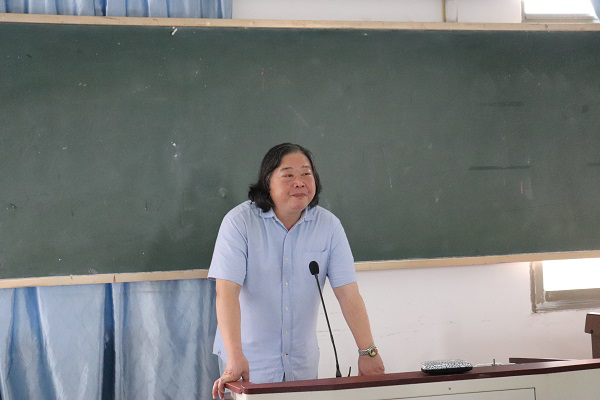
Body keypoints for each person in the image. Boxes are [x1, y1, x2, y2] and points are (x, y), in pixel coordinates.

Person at [209, 143, 384, 399]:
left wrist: (367, 351)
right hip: (247, 364)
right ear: (267, 182)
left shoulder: (329, 226)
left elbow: (348, 294)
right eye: (288, 175)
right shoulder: (239, 223)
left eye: (306, 173)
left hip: (302, 364)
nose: (299, 182)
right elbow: (226, 293)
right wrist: (235, 357)